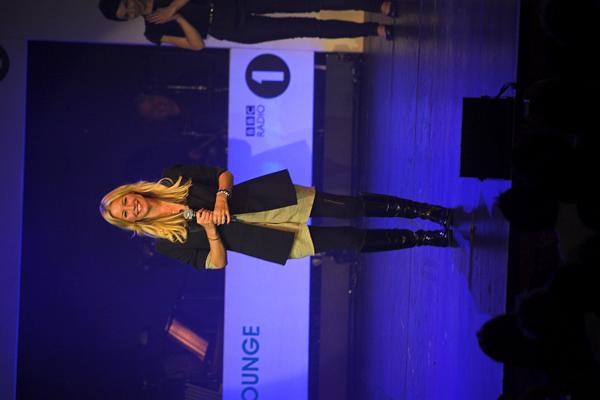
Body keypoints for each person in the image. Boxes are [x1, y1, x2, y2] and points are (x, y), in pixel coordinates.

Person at [100, 165, 455, 269]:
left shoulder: (172, 178)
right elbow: (217, 263)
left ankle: (426, 212)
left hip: (269, 200)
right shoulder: (167, 243)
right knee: (347, 239)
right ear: (129, 222)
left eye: (125, 201)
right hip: (265, 240)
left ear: (130, 192)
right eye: (125, 213)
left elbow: (223, 174)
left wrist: (221, 198)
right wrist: (210, 231)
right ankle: (423, 238)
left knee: (349, 207)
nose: (131, 207)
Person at [97, 0, 396, 50]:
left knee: (309, 2)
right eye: (125, 15)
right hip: (229, 29)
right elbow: (196, 45)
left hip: (230, 3)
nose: (131, 10)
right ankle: (373, 29)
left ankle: (374, 5)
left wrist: (173, 6)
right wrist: (176, 18)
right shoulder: (153, 31)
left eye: (126, 5)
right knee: (306, 27)